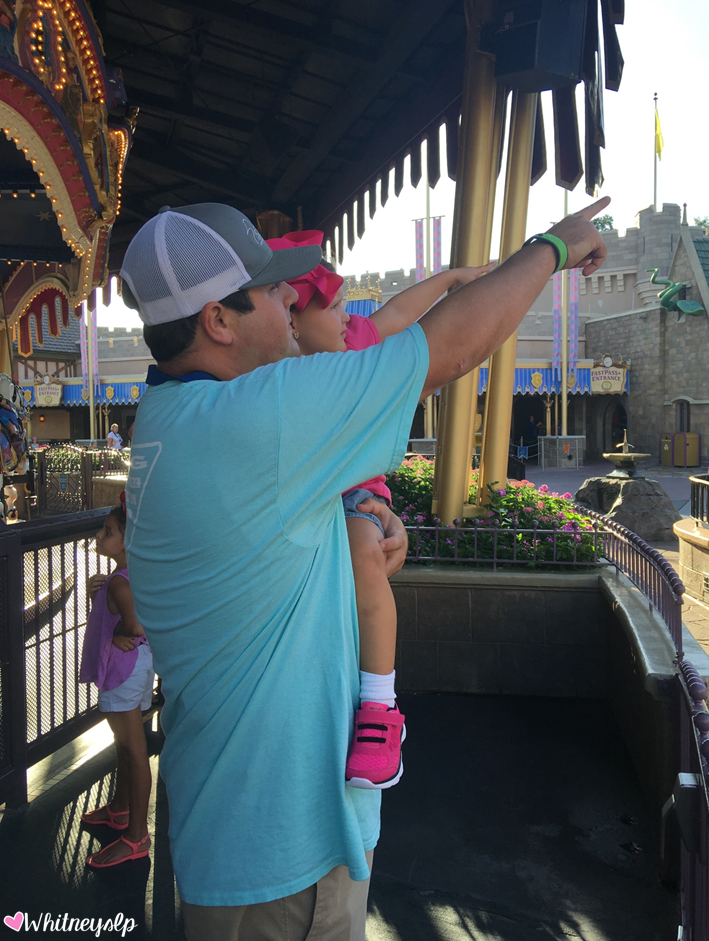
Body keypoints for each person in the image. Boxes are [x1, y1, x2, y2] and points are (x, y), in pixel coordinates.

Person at [119, 198, 608, 940]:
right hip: (283, 861)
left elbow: (272, 528)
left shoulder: (172, 420)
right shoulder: (254, 418)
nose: (293, 300)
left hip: (235, 833)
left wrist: (364, 515)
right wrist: (553, 247)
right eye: (274, 289)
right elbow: (444, 350)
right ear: (218, 320)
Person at [269, 228, 490, 790]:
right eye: (334, 306)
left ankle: (379, 705)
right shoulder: (264, 378)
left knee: (364, 556)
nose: (348, 315)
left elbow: (397, 315)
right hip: (294, 494)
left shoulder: (354, 347)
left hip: (351, 494)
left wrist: (450, 279)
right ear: (290, 319)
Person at [79, 500, 154, 869]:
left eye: (108, 531)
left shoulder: (119, 582)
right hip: (138, 666)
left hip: (121, 671)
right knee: (126, 744)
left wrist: (118, 634)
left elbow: (135, 625)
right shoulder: (133, 575)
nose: (99, 535)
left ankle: (136, 837)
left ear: (127, 541)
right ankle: (121, 809)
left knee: (133, 750)